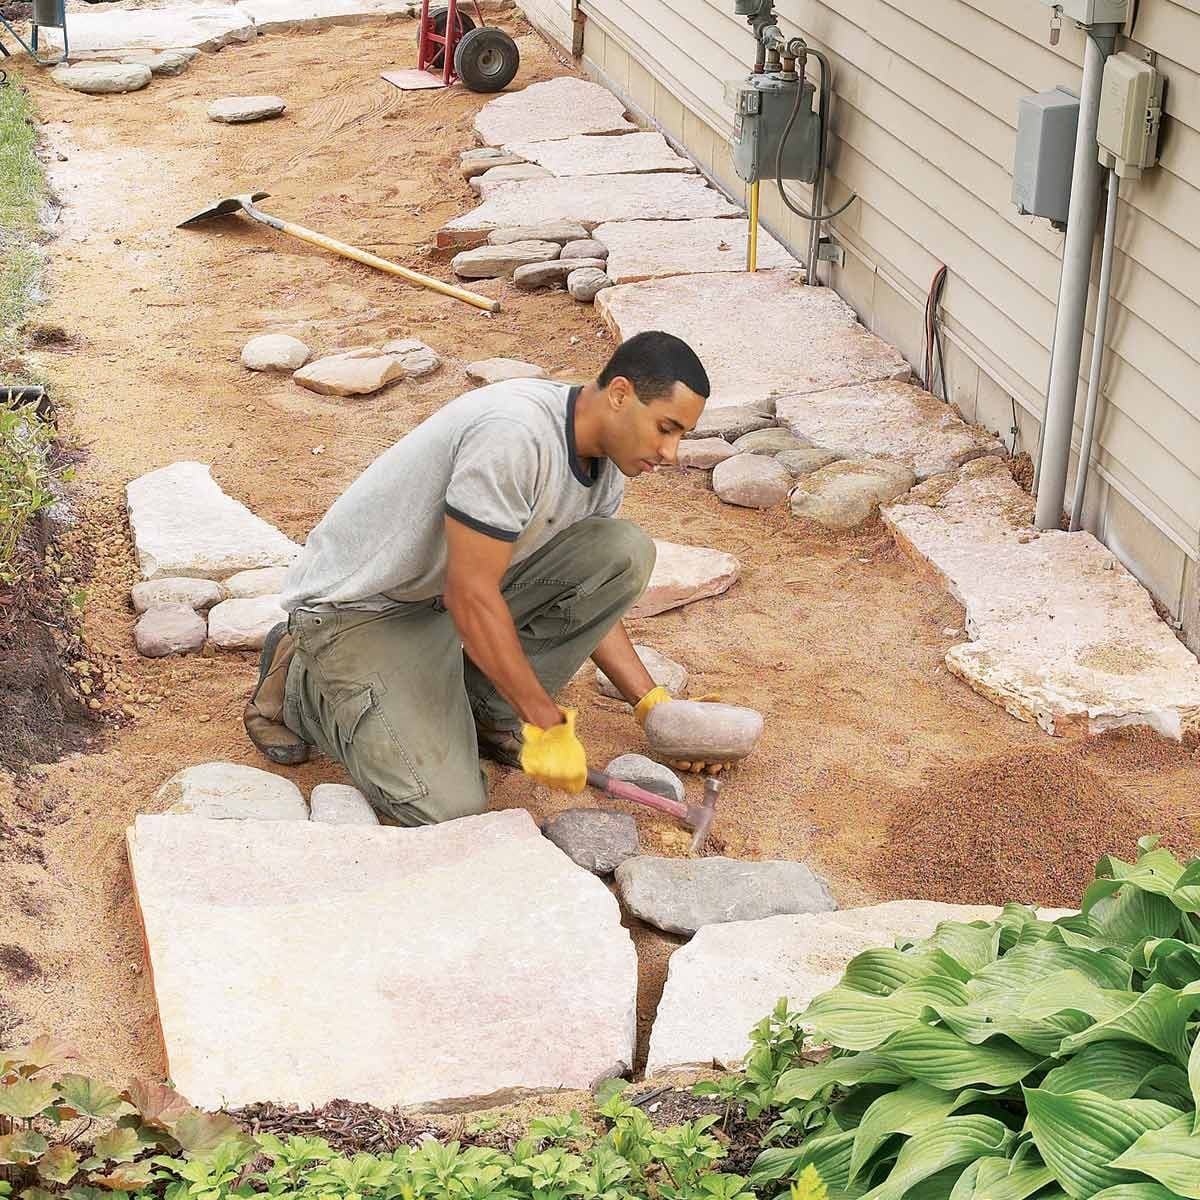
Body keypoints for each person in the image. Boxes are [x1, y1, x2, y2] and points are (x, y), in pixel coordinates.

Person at [243, 330, 712, 826]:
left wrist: (651, 705)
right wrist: (545, 721)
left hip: (443, 602)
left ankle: (485, 711)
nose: (671, 452)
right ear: (620, 394)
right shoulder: (515, 435)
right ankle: (301, 683)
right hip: (363, 610)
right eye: (666, 428)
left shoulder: (608, 464)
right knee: (444, 806)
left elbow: (590, 592)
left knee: (621, 551)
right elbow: (471, 597)